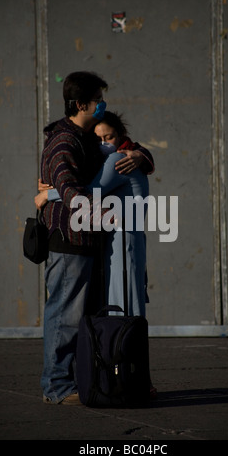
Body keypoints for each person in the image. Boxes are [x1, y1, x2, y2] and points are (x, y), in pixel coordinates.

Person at [38, 72, 155, 405]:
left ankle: (80, 381)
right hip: (68, 240)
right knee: (63, 316)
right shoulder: (64, 142)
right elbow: (73, 192)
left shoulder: (88, 137)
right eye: (98, 100)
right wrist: (52, 197)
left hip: (88, 241)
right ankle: (57, 387)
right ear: (81, 105)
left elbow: (119, 151)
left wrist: (142, 155)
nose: (103, 106)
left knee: (82, 319)